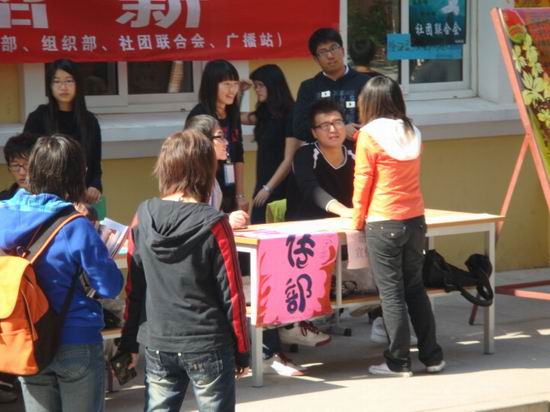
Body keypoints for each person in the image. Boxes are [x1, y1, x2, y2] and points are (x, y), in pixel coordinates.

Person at [118, 130, 250, 411]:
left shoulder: (143, 215)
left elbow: (134, 287)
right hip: (208, 340)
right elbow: (232, 293)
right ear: (205, 169)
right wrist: (242, 349)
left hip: (158, 340)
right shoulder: (215, 222)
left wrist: (128, 343)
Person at [0, 134, 123, 411]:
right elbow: (109, 286)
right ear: (75, 174)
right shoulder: (75, 225)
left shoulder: (2, 215)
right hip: (75, 337)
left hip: (26, 336)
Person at [352, 75, 445, 377]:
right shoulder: (413, 131)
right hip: (415, 219)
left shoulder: (368, 134)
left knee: (391, 294)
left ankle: (398, 362)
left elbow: (363, 181)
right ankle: (432, 357)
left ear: (369, 102)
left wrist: (356, 220)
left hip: (383, 220)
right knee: (415, 289)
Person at [23, 59, 103, 205]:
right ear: (50, 86)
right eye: (57, 81)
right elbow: (26, 159)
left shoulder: (90, 122)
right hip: (45, 198)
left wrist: (95, 186)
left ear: (77, 84)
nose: (63, 87)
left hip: (81, 198)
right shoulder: (38, 118)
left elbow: (95, 166)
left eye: (68, 81)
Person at [241, 64, 301, 224]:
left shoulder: (291, 114)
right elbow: (235, 118)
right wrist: (240, 92)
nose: (257, 90)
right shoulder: (264, 113)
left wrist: (268, 188)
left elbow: (288, 159)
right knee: (258, 227)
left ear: (273, 85)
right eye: (255, 86)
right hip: (263, 184)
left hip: (281, 186)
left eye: (261, 85)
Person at [187, 60, 248, 214]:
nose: (232, 89)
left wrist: (240, 194)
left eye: (235, 84)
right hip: (206, 191)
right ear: (212, 85)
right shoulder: (200, 116)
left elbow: (238, 154)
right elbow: (195, 158)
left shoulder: (232, 112)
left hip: (230, 189)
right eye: (226, 84)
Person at [293, 28, 374, 143]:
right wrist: (341, 130)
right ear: (316, 59)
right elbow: (299, 128)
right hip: (322, 152)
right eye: (323, 52)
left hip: (358, 150)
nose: (330, 55)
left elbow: (377, 122)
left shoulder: (366, 83)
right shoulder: (309, 88)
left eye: (334, 48)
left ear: (342, 50)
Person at [286, 99, 355, 222]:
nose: (333, 129)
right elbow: (310, 188)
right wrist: (343, 211)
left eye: (338, 122)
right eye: (325, 125)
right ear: (314, 133)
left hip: (348, 223)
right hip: (306, 225)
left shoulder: (355, 153)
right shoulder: (305, 154)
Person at [184, 114, 248, 229]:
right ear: (204, 141)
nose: (226, 142)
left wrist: (228, 218)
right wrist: (228, 222)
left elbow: (211, 215)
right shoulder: (195, 180)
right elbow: (195, 224)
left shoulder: (210, 175)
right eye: (220, 137)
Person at [0, 133, 38, 200]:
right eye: (15, 166)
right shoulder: (3, 200)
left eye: (27, 165)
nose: (22, 173)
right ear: (9, 169)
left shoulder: (54, 200)